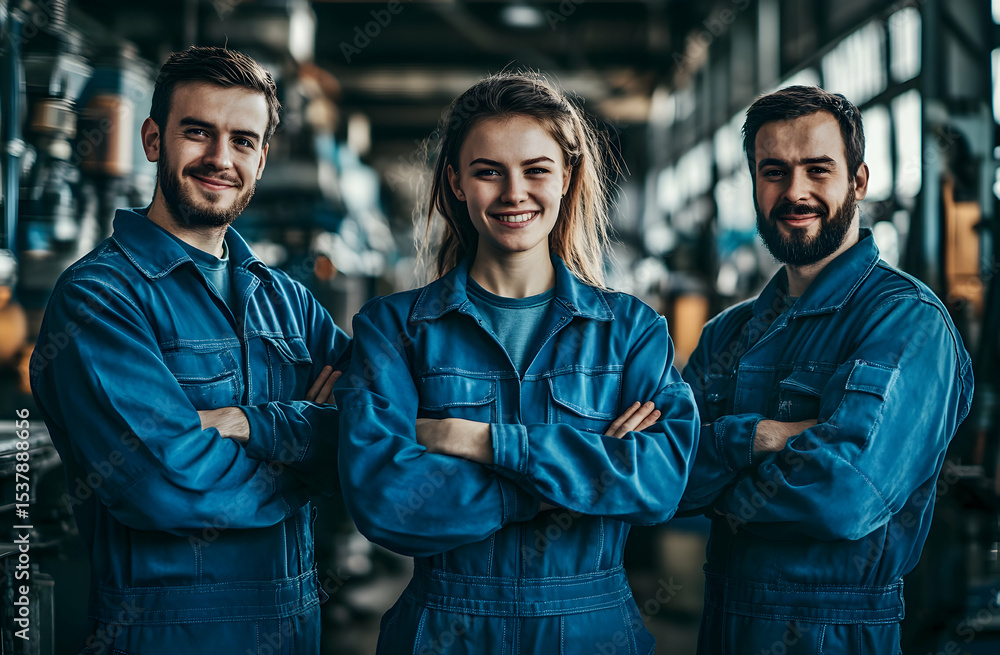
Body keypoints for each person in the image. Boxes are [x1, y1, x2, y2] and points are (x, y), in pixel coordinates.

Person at [335, 71, 699, 653]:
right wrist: (576, 476)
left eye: (536, 170)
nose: (513, 193)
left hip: (590, 629)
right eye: (488, 171)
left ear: (568, 177)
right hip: (444, 629)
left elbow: (658, 483)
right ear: (455, 181)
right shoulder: (393, 331)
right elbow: (385, 500)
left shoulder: (630, 332)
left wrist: (478, 441)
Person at [30, 46, 349, 654]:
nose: (220, 159)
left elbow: (371, 430)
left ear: (261, 156)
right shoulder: (99, 299)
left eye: (243, 140)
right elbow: (161, 485)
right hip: (165, 634)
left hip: (293, 626)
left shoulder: (287, 300)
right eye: (197, 133)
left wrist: (253, 426)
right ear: (153, 140)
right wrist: (312, 461)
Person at [678, 86, 974, 653]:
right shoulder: (727, 333)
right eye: (774, 172)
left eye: (818, 169)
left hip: (832, 633)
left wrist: (714, 464)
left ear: (858, 182)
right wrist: (762, 437)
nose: (795, 192)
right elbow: (666, 474)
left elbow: (844, 495)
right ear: (755, 184)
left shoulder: (906, 323)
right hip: (724, 624)